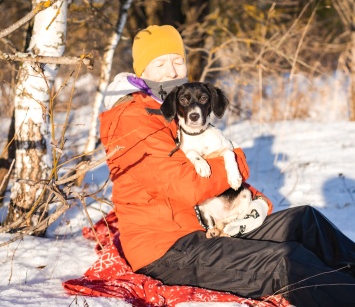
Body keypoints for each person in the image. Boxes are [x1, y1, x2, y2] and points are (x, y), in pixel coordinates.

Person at [100, 25, 355, 306]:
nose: (172, 71)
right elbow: (188, 186)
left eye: (178, 61)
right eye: (159, 63)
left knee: (305, 221)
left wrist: (249, 199)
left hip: (211, 224)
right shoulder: (133, 118)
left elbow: (210, 169)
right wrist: (237, 160)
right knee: (286, 261)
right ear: (141, 71)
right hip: (168, 249)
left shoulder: (175, 104)